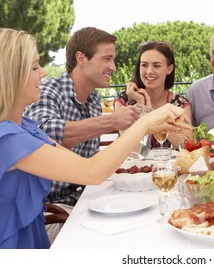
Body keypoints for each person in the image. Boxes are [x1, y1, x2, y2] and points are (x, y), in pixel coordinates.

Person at [0, 28, 189, 248]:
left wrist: (145, 122)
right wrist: (145, 123)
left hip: (42, 226)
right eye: (34, 67)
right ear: (11, 75)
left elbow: (89, 166)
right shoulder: (8, 138)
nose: (42, 72)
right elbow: (92, 172)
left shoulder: (25, 127)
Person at [24, 27, 142, 208]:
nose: (113, 67)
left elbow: (89, 165)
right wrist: (111, 121)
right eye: (107, 59)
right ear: (81, 59)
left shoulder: (94, 99)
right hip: (47, 208)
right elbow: (42, 135)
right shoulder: (49, 90)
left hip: (79, 200)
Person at [114, 41, 192, 149]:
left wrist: (156, 117)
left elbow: (187, 146)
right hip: (133, 165)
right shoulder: (125, 99)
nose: (149, 71)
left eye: (157, 66)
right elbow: (132, 148)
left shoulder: (179, 103)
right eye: (144, 65)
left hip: (167, 165)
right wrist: (142, 104)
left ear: (169, 69)